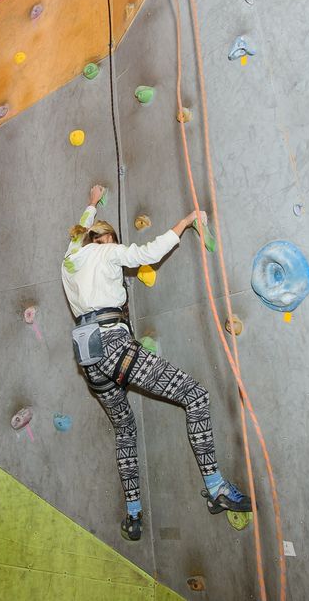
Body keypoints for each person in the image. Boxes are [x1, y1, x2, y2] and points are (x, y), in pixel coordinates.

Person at [61, 183, 251, 542]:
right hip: (115, 346)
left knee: (125, 431)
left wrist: (90, 205)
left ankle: (133, 515)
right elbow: (148, 252)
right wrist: (188, 221)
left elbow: (77, 234)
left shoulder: (69, 259)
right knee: (195, 396)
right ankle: (216, 487)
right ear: (104, 240)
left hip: (89, 360)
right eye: (112, 239)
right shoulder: (106, 253)